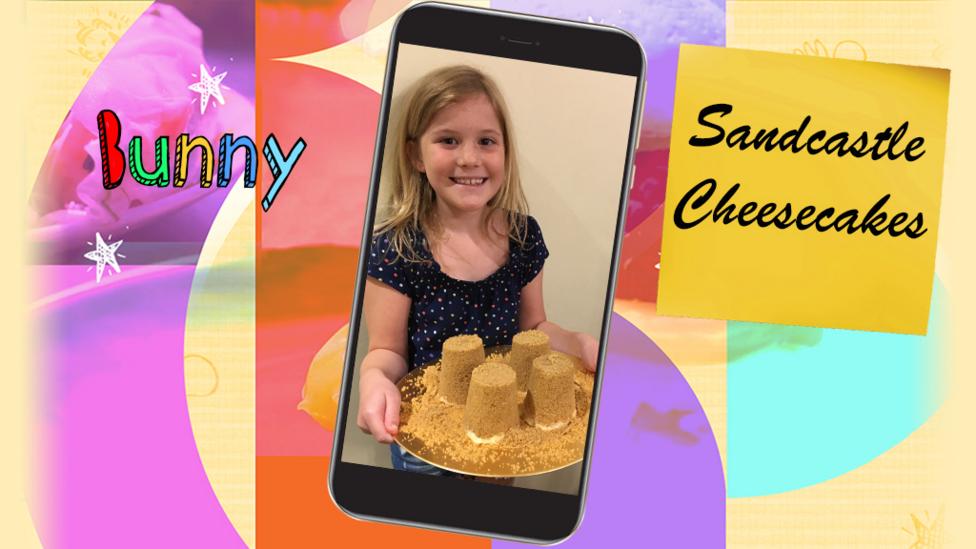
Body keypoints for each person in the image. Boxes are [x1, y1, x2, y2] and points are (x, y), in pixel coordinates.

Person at [356, 65, 598, 473]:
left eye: (486, 141)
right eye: (448, 140)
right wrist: (374, 379)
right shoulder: (396, 246)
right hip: (427, 441)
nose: (469, 158)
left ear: (504, 151)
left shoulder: (523, 235)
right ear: (416, 154)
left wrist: (577, 342)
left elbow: (534, 329)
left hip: (506, 434)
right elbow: (387, 351)